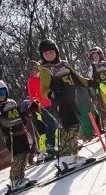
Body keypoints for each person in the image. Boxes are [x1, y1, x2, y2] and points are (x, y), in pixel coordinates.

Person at [36, 39, 96, 173]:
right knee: (70, 127)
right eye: (46, 54)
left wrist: (90, 82)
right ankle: (67, 159)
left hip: (72, 100)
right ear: (42, 56)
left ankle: (70, 157)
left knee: (73, 127)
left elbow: (77, 78)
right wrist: (52, 94)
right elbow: (43, 90)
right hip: (61, 102)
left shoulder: (64, 64)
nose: (49, 55)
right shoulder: (46, 70)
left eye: (51, 52)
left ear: (56, 52)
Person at [0, 80, 35, 191]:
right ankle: (14, 179)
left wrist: (27, 112)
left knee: (25, 153)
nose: (1, 95)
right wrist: (3, 121)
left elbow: (20, 116)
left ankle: (21, 177)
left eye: (3, 92)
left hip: (21, 132)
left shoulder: (12, 102)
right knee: (17, 156)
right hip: (11, 135)